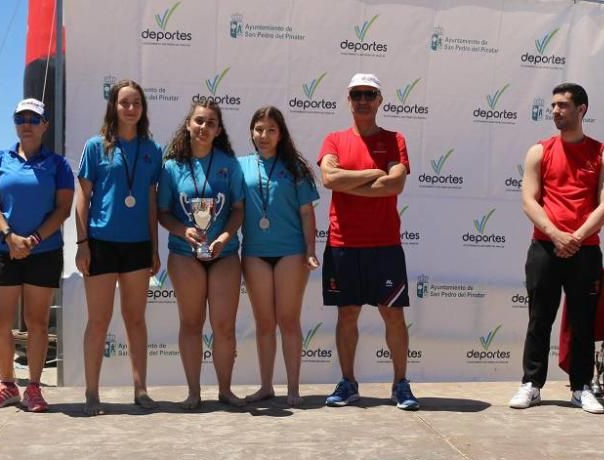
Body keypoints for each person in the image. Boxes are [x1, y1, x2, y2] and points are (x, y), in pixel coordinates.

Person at [509, 83, 604, 414]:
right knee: (539, 318)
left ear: (581, 109)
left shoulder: (603, 153)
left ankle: (581, 387)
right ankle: (531, 384)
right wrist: (556, 235)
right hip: (544, 247)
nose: (555, 111)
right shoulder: (539, 151)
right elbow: (529, 199)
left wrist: (577, 237)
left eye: (563, 105)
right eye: (553, 105)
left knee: (583, 322)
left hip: (585, 250)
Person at [317, 73, 418, 410]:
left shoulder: (394, 139)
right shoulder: (333, 139)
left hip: (384, 244)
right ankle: (348, 383)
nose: (363, 100)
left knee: (393, 316)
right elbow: (330, 178)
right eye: (357, 94)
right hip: (343, 244)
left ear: (379, 100)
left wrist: (350, 182)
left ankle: (400, 384)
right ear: (349, 99)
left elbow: (394, 187)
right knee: (347, 315)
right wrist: (373, 173)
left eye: (369, 94)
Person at [0, 97, 74, 411]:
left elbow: (63, 210)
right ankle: (7, 385)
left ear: (45, 125)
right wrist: (9, 236)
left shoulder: (58, 164)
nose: (27, 125)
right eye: (21, 119)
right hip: (2, 250)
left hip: (43, 251)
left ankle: (34, 387)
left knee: (37, 322)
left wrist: (31, 240)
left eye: (34, 120)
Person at [75, 79, 163, 416]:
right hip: (100, 243)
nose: (130, 109)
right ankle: (92, 393)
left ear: (143, 109)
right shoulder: (96, 147)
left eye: (136, 103)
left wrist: (155, 248)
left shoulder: (152, 150)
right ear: (113, 107)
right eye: (124, 103)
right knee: (99, 321)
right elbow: (83, 196)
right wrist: (82, 243)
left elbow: (152, 202)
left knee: (136, 320)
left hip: (138, 245)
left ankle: (141, 390)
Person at [157, 100, 246, 409]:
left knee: (224, 326)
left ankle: (225, 390)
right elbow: (163, 213)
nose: (204, 128)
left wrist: (224, 236)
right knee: (191, 324)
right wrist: (184, 231)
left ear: (218, 130)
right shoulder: (171, 166)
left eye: (210, 123)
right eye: (199, 121)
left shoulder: (228, 164)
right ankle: (193, 392)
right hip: (184, 253)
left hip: (225, 253)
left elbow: (238, 209)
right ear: (188, 125)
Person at [238, 107, 320, 406]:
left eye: (271, 130)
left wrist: (310, 251)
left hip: (291, 252)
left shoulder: (295, 167)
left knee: (288, 320)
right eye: (258, 129)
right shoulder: (240, 166)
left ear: (280, 133)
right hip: (255, 253)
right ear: (251, 132)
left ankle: (294, 389)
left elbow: (307, 213)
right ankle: (265, 386)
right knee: (263, 322)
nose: (264, 135)